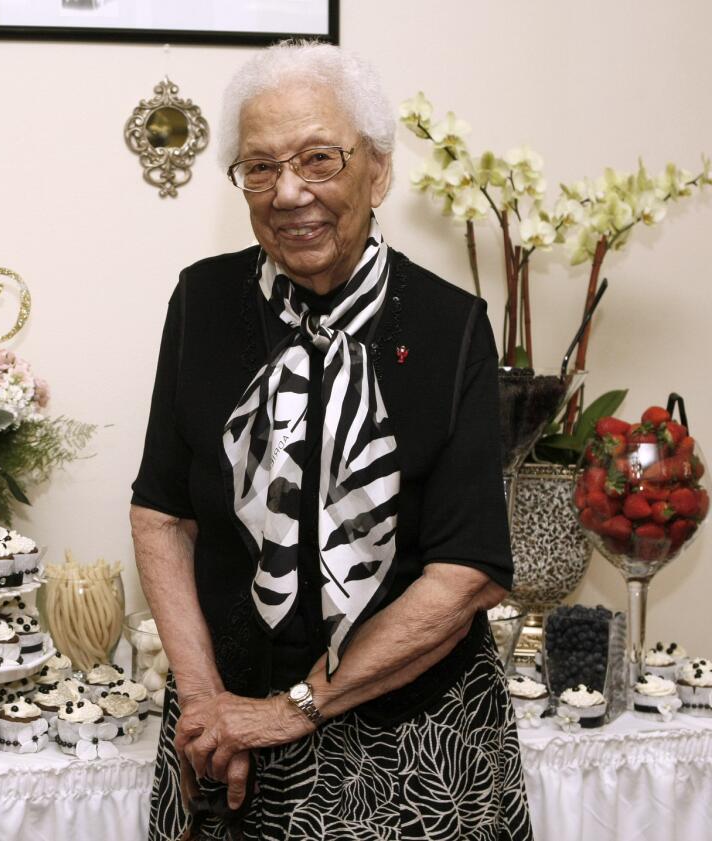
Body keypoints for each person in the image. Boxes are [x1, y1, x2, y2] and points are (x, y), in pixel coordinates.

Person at [130, 41, 532, 841]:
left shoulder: (450, 326)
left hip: (412, 746)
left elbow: (466, 574)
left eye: (319, 158)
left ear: (377, 171)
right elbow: (162, 514)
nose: (289, 192)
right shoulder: (203, 302)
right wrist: (209, 704)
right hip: (224, 743)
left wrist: (293, 709)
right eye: (260, 166)